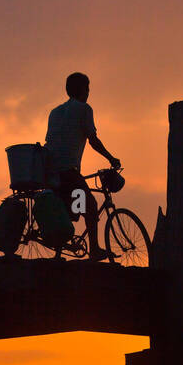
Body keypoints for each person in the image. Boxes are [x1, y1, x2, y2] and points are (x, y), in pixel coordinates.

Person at [44, 73, 121, 260]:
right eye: (87, 88)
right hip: (69, 171)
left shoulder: (54, 112)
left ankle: (58, 253)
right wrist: (111, 158)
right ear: (83, 90)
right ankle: (94, 250)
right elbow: (93, 140)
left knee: (66, 209)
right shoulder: (84, 109)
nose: (89, 92)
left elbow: (50, 141)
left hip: (51, 172)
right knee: (91, 206)